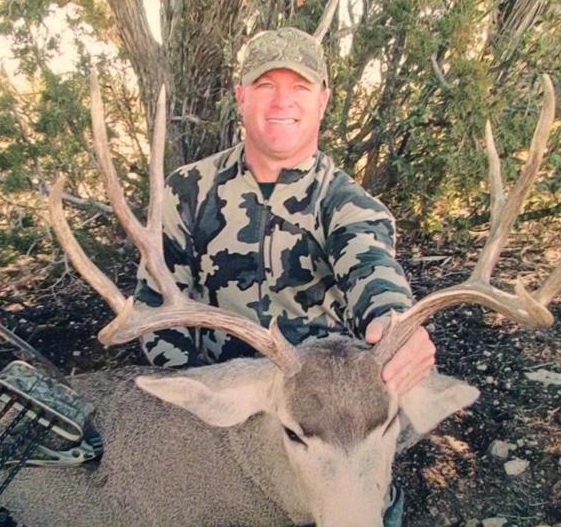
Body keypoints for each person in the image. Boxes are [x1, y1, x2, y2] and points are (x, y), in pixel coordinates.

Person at [134, 27, 435, 398]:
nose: (282, 102)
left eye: (300, 87)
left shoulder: (347, 203)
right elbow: (156, 303)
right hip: (219, 393)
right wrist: (198, 395)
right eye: (265, 85)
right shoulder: (186, 189)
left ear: (322, 100)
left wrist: (396, 326)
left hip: (319, 404)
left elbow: (371, 269)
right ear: (240, 96)